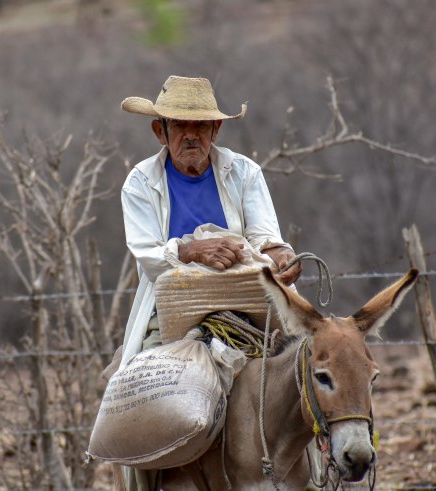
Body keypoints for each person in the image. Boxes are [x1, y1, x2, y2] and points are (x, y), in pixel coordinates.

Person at [114, 75, 303, 489]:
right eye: (180, 126)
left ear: (217, 129)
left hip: (247, 301)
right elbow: (147, 254)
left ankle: (321, 469)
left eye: (201, 126)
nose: (191, 135)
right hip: (170, 309)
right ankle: (149, 478)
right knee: (141, 390)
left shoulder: (244, 172)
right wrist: (191, 250)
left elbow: (265, 236)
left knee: (310, 368)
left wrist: (279, 255)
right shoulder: (140, 182)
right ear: (159, 131)